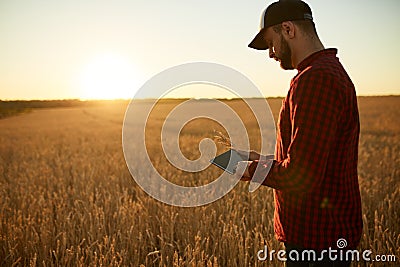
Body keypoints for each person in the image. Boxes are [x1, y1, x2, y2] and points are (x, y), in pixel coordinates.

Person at [235, 0, 363, 266]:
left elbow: (300, 175)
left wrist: (250, 170)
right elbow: (311, 159)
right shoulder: (326, 72)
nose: (271, 54)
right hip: (325, 236)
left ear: (288, 29)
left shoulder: (315, 80)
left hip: (316, 241)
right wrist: (262, 160)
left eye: (271, 43)